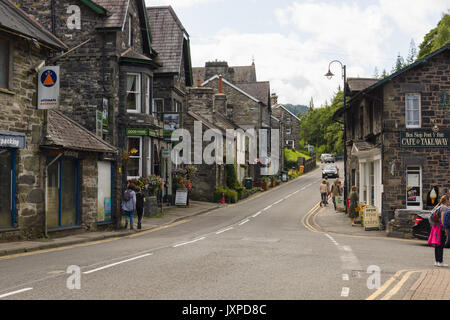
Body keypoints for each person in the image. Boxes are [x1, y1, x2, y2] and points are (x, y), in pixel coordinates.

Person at [430, 195, 450, 267]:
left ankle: (437, 261)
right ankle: (440, 262)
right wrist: (445, 229)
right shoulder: (444, 208)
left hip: (437, 227)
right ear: (447, 200)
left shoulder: (439, 206)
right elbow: (443, 219)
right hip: (441, 228)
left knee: (437, 245)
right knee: (441, 245)